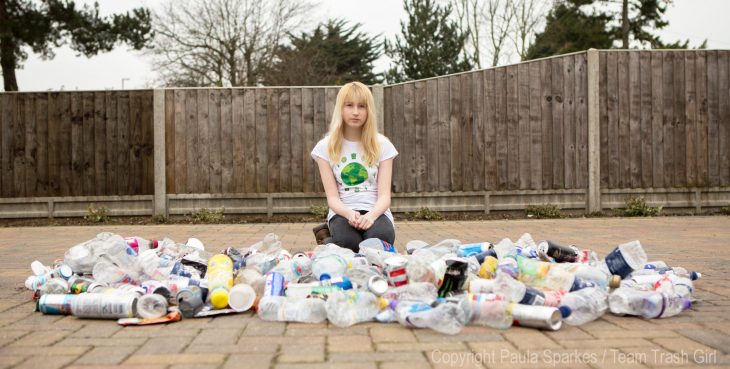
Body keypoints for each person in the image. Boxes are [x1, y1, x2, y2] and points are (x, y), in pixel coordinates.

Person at [310, 81, 398, 252]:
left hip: (376, 212)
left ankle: (329, 243)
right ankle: (329, 239)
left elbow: (384, 197)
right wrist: (349, 214)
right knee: (348, 244)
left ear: (369, 110)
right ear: (340, 109)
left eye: (362, 106)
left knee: (378, 242)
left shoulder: (383, 144)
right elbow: (333, 199)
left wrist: (371, 216)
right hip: (342, 213)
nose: (356, 112)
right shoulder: (325, 147)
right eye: (349, 105)